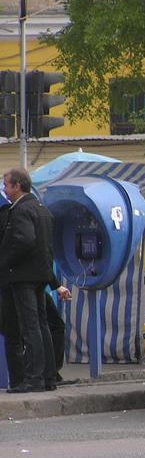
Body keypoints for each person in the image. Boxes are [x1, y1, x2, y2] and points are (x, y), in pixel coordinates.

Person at [0, 168, 65, 393]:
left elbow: (25, 241)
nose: (5, 190)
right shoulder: (41, 208)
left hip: (23, 276)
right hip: (40, 276)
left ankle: (34, 378)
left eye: (7, 185)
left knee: (30, 328)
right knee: (41, 325)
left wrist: (5, 262)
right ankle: (48, 376)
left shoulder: (20, 211)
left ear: (17, 186)